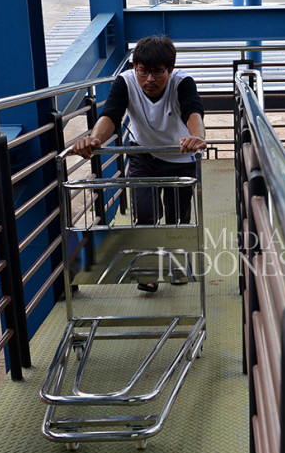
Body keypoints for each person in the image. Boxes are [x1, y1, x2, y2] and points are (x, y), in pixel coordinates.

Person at [73, 36, 207, 291]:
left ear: (169, 70)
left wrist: (197, 137)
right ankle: (149, 270)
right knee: (144, 213)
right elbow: (111, 114)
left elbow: (193, 110)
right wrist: (93, 140)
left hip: (179, 155)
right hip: (143, 153)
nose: (149, 79)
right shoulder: (125, 81)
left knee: (177, 217)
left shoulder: (182, 83)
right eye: (142, 71)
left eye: (158, 72)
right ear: (135, 67)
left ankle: (177, 262)